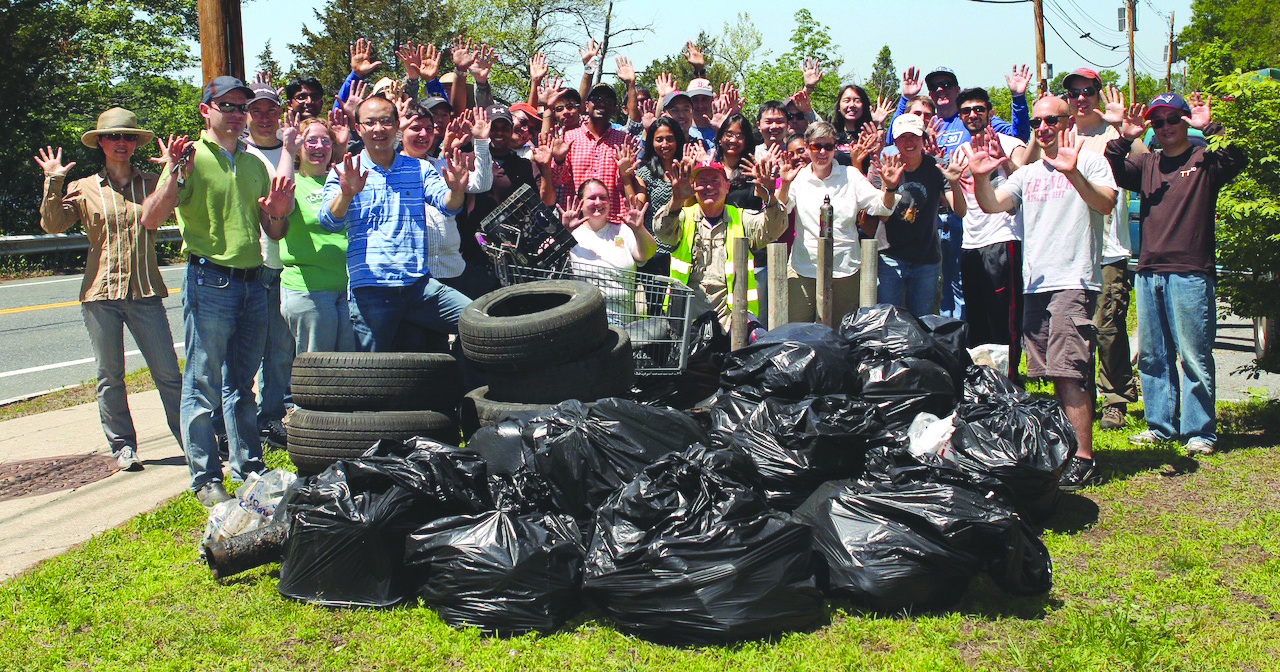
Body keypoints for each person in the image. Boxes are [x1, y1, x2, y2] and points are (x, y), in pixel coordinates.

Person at [140, 76, 295, 507]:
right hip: (209, 281)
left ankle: (250, 467)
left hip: (253, 280)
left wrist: (279, 214)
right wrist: (172, 172)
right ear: (205, 109)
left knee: (242, 385)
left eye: (240, 106)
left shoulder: (252, 163)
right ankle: (206, 478)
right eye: (225, 104)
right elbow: (152, 219)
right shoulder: (189, 157)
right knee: (201, 384)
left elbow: (273, 229)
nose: (235, 113)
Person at [970, 96, 1119, 492]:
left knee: (1070, 371)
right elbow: (991, 205)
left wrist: (1072, 175)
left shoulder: (1088, 161)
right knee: (1051, 372)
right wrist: (981, 177)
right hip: (1036, 284)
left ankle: (1084, 459)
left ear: (1068, 121)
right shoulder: (1028, 172)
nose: (1043, 128)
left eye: (1051, 120)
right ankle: (1064, 451)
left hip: (1073, 280)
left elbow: (1105, 204)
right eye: (1036, 122)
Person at [36, 108, 183, 472]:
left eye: (129, 137)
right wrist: (53, 181)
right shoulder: (83, 187)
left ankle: (191, 441)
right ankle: (123, 446)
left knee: (167, 372)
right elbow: (53, 225)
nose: (122, 143)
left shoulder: (152, 182)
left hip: (145, 292)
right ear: (100, 142)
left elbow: (182, 204)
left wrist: (172, 169)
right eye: (114, 137)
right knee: (110, 376)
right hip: (100, 295)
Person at [1106, 92, 1247, 455]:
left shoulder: (1205, 161)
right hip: (1149, 270)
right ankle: (1160, 426)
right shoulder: (1147, 164)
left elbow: (1237, 158)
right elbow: (1113, 166)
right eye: (1158, 121)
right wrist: (1124, 136)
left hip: (1190, 272)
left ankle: (1200, 431)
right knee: (1153, 356)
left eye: (1173, 119)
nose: (1166, 127)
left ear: (1185, 120)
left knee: (1193, 355)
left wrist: (1210, 127)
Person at [318, 95, 473, 352]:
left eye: (385, 122)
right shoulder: (346, 171)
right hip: (371, 289)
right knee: (371, 371)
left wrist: (456, 190)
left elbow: (448, 205)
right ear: (359, 128)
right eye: (370, 123)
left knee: (476, 321)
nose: (378, 129)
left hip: (418, 286)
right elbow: (328, 222)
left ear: (396, 124)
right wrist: (346, 194)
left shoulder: (420, 168)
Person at [892, 65, 1033, 320]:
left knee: (964, 286)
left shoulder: (974, 122)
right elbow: (897, 139)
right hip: (937, 217)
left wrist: (1018, 100)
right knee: (946, 281)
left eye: (946, 84)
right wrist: (904, 100)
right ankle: (955, 336)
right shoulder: (927, 128)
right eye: (934, 86)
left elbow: (1018, 135)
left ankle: (968, 333)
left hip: (979, 221)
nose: (940, 89)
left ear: (957, 90)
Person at [1063, 69, 1148, 430]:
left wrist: (1127, 132)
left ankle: (1116, 398)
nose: (1081, 98)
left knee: (1109, 329)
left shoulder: (1113, 133)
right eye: (1074, 93)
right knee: (1074, 330)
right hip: (1069, 249)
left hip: (1108, 248)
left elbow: (1146, 164)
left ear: (1098, 94)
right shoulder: (1060, 133)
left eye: (1088, 91)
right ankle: (1078, 398)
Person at [785, 121, 901, 324]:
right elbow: (781, 209)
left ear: (835, 148)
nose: (822, 152)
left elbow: (880, 207)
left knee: (839, 333)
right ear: (807, 146)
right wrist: (783, 185)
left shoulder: (852, 176)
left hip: (845, 269)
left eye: (828, 146)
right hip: (804, 268)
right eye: (816, 146)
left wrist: (890, 189)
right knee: (798, 332)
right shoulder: (798, 178)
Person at [655, 160, 792, 331]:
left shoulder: (741, 217)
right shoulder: (683, 216)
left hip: (733, 319)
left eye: (715, 181)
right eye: (702, 182)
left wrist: (769, 196)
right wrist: (676, 199)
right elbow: (661, 231)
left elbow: (773, 229)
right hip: (687, 317)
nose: (709, 187)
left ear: (727, 187)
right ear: (693, 188)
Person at [951, 88, 1030, 380]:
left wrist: (1004, 161)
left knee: (1004, 319)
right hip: (970, 243)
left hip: (1003, 241)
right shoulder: (960, 153)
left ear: (991, 113)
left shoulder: (1011, 144)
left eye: (979, 109)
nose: (973, 115)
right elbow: (959, 207)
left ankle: (1009, 379)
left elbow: (1026, 179)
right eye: (967, 111)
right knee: (977, 318)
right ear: (960, 118)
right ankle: (983, 380)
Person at [243, 83, 298, 449]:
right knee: (245, 353)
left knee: (280, 352)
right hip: (250, 264)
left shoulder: (293, 151)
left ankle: (271, 420)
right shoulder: (239, 153)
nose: (264, 118)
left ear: (280, 113)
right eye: (256, 111)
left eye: (270, 110)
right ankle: (239, 424)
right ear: (247, 116)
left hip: (286, 265)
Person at [870, 114, 966, 317]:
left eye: (914, 136)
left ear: (923, 138)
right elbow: (883, 217)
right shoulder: (884, 167)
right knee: (889, 320)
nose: (909, 142)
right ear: (895, 142)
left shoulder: (939, 167)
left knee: (924, 322)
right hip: (889, 256)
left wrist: (955, 183)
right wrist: (890, 186)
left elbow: (960, 210)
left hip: (927, 258)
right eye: (903, 137)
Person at [399, 102, 494, 300]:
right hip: (412, 274)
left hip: (451, 270)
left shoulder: (442, 165)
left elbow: (481, 185)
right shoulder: (388, 169)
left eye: (429, 128)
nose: (423, 135)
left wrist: (482, 142)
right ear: (401, 131)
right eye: (415, 128)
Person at [279, 117, 354, 354]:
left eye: (325, 140)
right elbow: (282, 198)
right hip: (309, 291)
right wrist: (287, 149)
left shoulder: (342, 182)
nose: (319, 146)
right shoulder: (294, 182)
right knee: (319, 371)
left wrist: (343, 148)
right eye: (311, 140)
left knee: (353, 370)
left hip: (349, 290)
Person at [566, 179, 657, 321]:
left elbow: (648, 253)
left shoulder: (623, 231)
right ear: (580, 203)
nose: (598, 202)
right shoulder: (571, 234)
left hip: (622, 322)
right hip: (584, 319)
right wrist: (563, 233)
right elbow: (545, 259)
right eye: (592, 198)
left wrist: (639, 229)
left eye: (603, 198)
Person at [550, 83, 636, 220]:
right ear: (586, 105)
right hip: (575, 222)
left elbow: (623, 185)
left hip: (612, 221)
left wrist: (625, 172)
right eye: (596, 99)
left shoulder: (623, 140)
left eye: (607, 101)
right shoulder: (568, 138)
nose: (601, 104)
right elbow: (559, 180)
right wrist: (559, 160)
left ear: (615, 109)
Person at [627, 117, 687, 312]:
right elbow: (637, 204)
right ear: (651, 142)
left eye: (669, 139)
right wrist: (626, 177)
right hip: (658, 252)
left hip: (686, 248)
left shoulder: (688, 169)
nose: (665, 144)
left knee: (682, 310)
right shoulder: (645, 173)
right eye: (659, 139)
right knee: (657, 310)